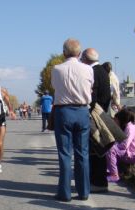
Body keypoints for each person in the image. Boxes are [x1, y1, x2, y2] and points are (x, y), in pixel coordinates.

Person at [51, 38, 94, 201]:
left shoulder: (56, 69)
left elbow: (55, 86)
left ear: (64, 52)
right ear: (79, 53)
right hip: (82, 110)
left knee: (64, 153)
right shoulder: (88, 69)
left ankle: (64, 192)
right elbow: (90, 87)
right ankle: (83, 192)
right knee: (82, 153)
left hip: (64, 111)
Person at [81, 48, 112, 193]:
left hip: (95, 116)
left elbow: (92, 97)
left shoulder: (93, 72)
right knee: (99, 149)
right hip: (103, 113)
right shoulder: (103, 71)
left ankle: (97, 182)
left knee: (95, 150)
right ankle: (99, 181)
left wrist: (87, 110)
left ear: (86, 59)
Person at [106, 109, 135, 182]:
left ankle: (114, 175)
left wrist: (113, 145)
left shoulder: (130, 128)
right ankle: (114, 171)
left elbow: (124, 145)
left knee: (111, 150)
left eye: (116, 120)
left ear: (121, 120)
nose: (114, 122)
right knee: (112, 148)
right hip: (133, 154)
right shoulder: (129, 127)